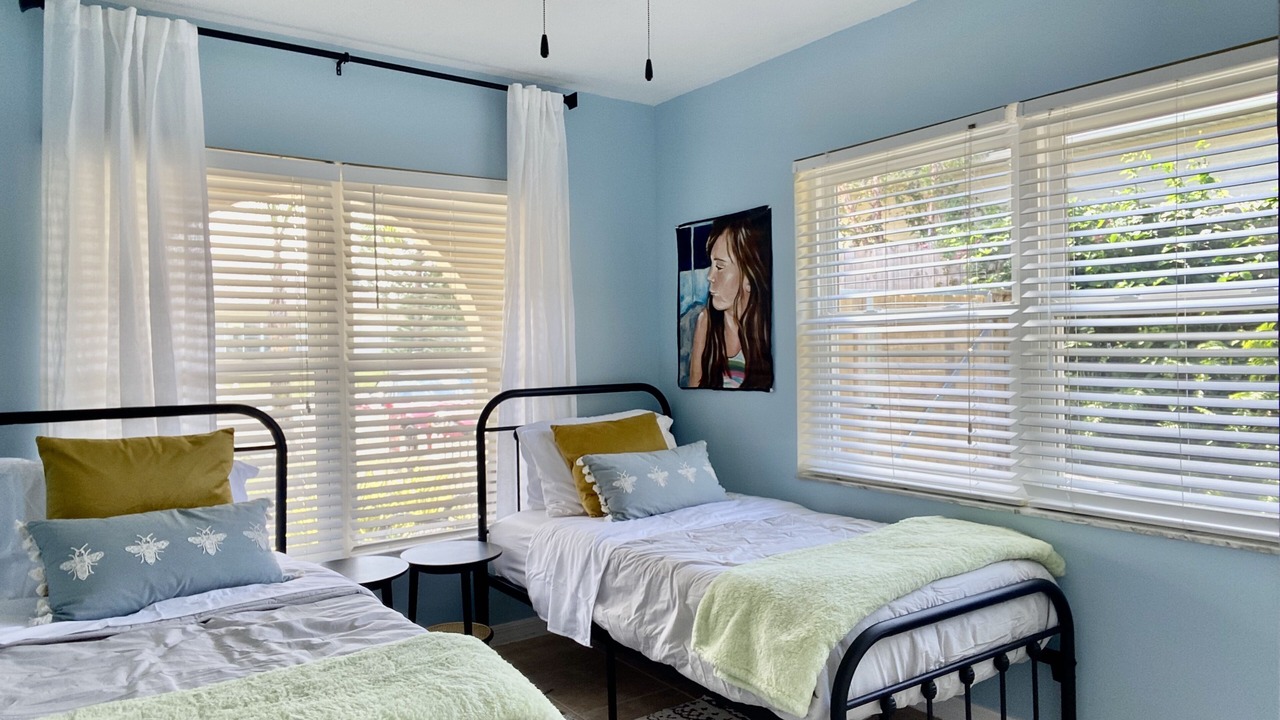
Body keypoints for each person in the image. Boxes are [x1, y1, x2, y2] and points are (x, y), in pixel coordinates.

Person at [688, 213, 773, 390]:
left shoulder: (766, 326)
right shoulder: (706, 322)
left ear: (748, 277)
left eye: (719, 267)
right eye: (711, 265)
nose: (710, 276)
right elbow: (695, 387)